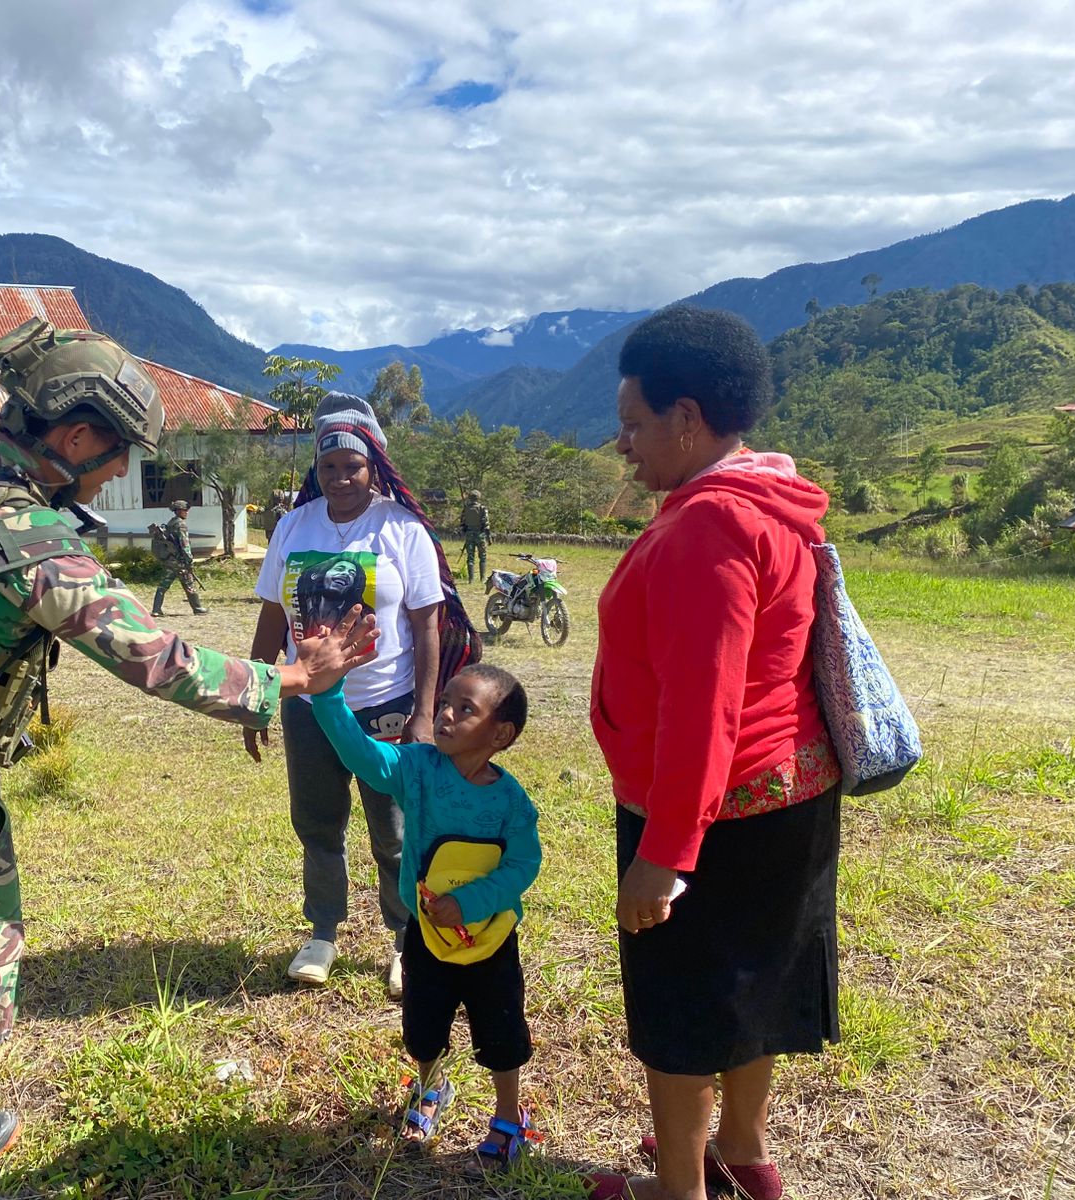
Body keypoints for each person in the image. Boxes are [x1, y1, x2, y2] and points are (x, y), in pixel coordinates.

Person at [0, 320, 378, 1200]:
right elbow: (158, 659)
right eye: (119, 455)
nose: (121, 473)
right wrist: (289, 679)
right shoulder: (36, 544)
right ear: (75, 437)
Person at [585, 306, 841, 1200]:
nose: (623, 443)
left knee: (683, 1006)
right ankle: (742, 1153)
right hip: (786, 794)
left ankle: (682, 1187)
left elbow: (704, 706)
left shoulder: (707, 528)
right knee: (751, 987)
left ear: (686, 418)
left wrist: (663, 856)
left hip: (708, 810)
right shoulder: (773, 498)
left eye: (633, 423)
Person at [246, 392, 479, 998]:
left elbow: (428, 625)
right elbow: (273, 616)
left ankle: (403, 938)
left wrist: (424, 716)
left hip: (387, 707)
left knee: (394, 828)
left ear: (373, 464)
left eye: (352, 466)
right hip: (307, 704)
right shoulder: (295, 526)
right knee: (317, 820)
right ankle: (323, 931)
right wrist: (256, 691)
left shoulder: (401, 530)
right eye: (328, 468)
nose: (340, 478)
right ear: (314, 471)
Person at [309, 661, 541, 1165]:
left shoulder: (511, 801)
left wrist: (471, 901)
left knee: (501, 1030)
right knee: (423, 1023)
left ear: (501, 734)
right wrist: (328, 696)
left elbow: (525, 865)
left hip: (491, 940)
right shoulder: (417, 769)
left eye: (465, 709)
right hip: (425, 934)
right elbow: (361, 755)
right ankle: (431, 1087)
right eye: (444, 704)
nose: (446, 715)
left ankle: (509, 1114)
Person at [151, 498, 207, 615]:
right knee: (189, 583)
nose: (187, 512)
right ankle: (197, 608)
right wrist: (189, 560)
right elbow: (184, 544)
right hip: (180, 561)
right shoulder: (181, 525)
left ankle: (156, 609)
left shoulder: (171, 522)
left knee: (163, 584)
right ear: (179, 511)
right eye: (185, 510)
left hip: (170, 559)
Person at [459, 489, 491, 582]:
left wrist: (465, 533)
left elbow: (462, 523)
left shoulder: (466, 508)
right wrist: (489, 537)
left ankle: (471, 579)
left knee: (470, 557)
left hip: (469, 534)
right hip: (480, 535)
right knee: (483, 556)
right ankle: (483, 578)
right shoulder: (482, 508)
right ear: (478, 498)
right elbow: (486, 524)